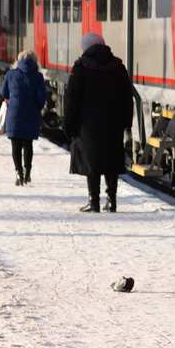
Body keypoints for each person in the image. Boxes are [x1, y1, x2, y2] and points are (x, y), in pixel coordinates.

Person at [63, 32, 132, 213]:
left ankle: (93, 202)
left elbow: (71, 100)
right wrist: (127, 122)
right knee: (111, 162)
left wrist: (67, 126)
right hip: (113, 122)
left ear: (85, 48)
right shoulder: (118, 66)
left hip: (88, 126)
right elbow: (127, 97)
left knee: (91, 163)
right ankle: (112, 201)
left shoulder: (80, 67)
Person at [0, 50, 47, 185]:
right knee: (28, 144)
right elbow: (41, 98)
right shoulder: (38, 77)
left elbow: (4, 93)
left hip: (14, 114)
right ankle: (28, 173)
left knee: (15, 145)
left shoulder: (10, 74)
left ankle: (19, 173)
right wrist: (36, 107)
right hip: (31, 115)